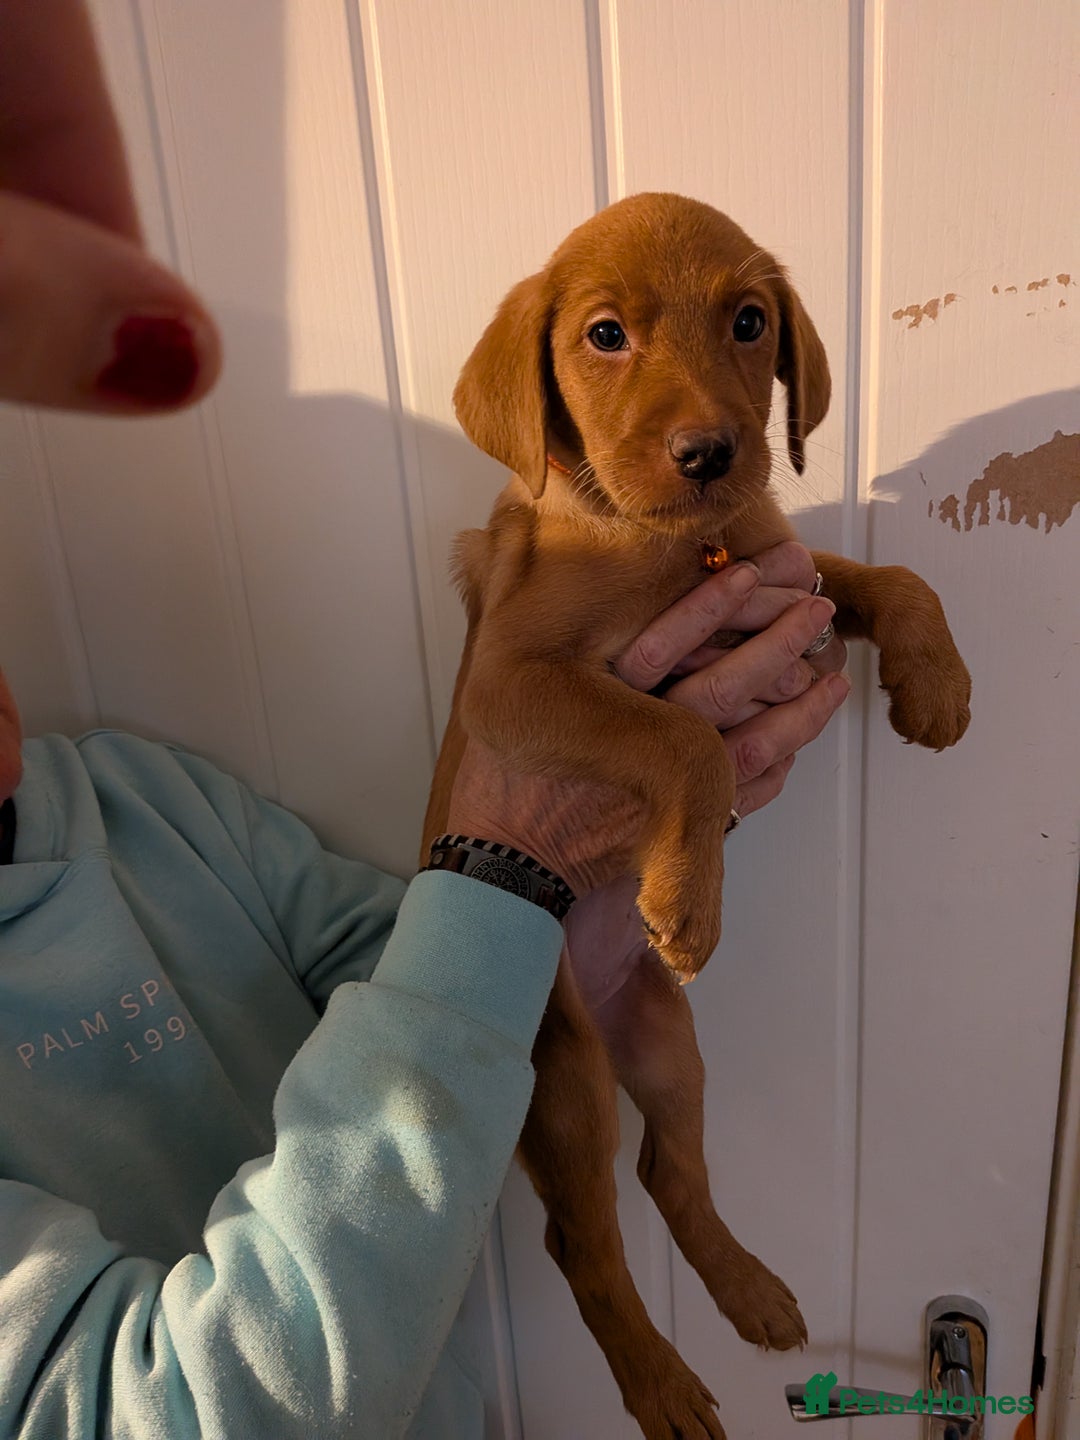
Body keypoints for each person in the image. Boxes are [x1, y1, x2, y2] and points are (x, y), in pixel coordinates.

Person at [0, 4, 851, 1436]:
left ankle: (686, 1212)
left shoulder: (138, 802)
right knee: (586, 1136)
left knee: (659, 1098)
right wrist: (550, 843)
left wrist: (543, 904)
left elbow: (390, 957)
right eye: (610, 340)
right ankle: (624, 1308)